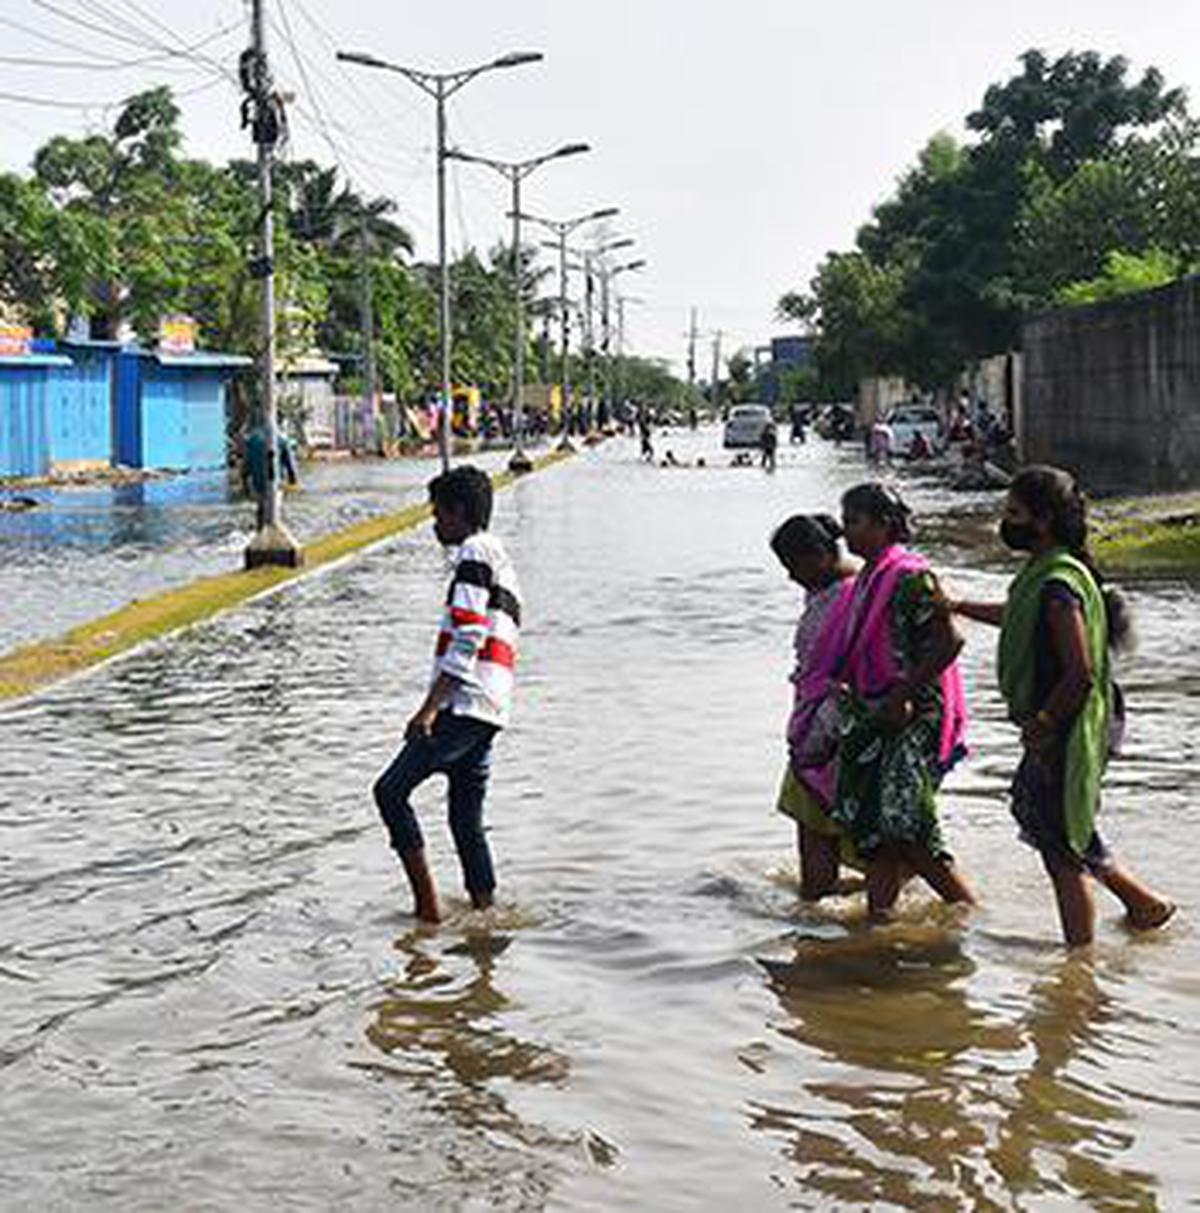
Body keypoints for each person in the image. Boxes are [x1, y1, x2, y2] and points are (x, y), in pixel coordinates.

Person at [950, 466, 1175, 947]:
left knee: (1059, 844)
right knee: (1048, 816)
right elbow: (1020, 620)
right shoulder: (1046, 575)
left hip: (1070, 720)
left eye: (1014, 513)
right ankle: (1142, 904)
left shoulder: (1057, 585)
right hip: (1063, 718)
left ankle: (1079, 969)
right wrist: (961, 605)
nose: (1006, 523)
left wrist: (1045, 722)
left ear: (1044, 520)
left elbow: (1079, 671)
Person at [373, 466, 521, 923]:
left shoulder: (474, 552)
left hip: (464, 702)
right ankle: (485, 914)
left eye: (438, 513)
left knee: (390, 791)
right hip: (490, 708)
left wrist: (429, 707)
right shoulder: (502, 560)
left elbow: (469, 634)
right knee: (465, 821)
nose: (434, 522)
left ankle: (428, 909)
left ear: (458, 512)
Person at [829, 483, 978, 918]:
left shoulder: (912, 577)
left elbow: (950, 641)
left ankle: (969, 913)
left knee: (908, 826)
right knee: (878, 830)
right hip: (876, 712)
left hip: (911, 715)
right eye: (845, 521)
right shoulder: (869, 578)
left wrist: (902, 693)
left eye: (854, 521)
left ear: (884, 524)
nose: (847, 532)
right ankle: (879, 923)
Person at [770, 514, 860, 899]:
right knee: (814, 817)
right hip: (817, 724)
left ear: (822, 554)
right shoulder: (828, 593)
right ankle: (826, 900)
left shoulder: (853, 595)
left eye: (795, 566)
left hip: (835, 728)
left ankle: (819, 908)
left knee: (819, 822)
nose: (792, 577)